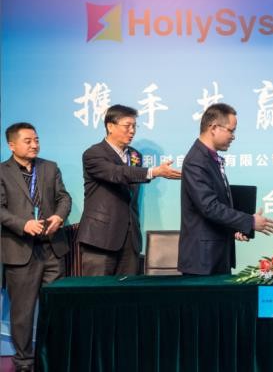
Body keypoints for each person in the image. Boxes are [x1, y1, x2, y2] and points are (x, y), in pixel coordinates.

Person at [77, 104, 181, 276]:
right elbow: (117, 173)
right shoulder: (93, 154)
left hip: (130, 238)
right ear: (110, 126)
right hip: (100, 237)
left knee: (128, 289)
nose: (132, 131)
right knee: (97, 290)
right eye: (127, 126)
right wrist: (154, 171)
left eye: (134, 126)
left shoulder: (134, 155)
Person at [1, 122, 71, 372]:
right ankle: (24, 362)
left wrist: (59, 217)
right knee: (22, 312)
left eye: (37, 140)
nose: (34, 145)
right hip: (21, 251)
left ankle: (52, 356)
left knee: (55, 308)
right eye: (28, 141)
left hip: (52, 249)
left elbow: (64, 197)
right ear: (12, 145)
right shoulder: (2, 172)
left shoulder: (49, 167)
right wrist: (23, 224)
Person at [178, 103, 273, 275]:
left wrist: (236, 228)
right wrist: (250, 221)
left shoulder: (209, 157)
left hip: (216, 254)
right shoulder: (196, 160)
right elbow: (209, 207)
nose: (233, 136)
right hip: (203, 260)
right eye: (231, 130)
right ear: (213, 128)